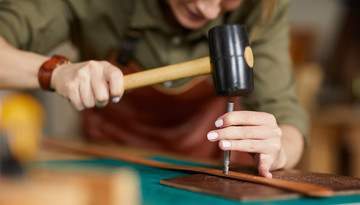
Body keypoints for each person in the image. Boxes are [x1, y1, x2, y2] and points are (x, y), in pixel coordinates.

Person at [0, 0, 309, 178]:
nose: (208, 9)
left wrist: (279, 149)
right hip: (108, 169)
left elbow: (288, 120)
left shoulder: (263, 7)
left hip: (210, 177)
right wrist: (56, 73)